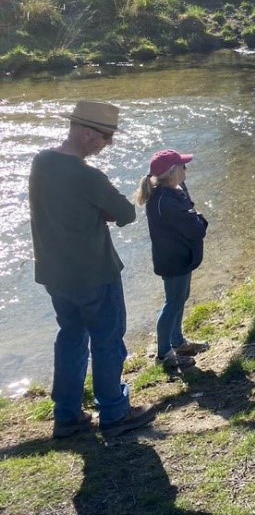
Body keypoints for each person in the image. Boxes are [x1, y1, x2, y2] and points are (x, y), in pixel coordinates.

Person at [28, 100, 156, 438]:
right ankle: (114, 411)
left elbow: (53, 207)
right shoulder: (89, 176)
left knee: (69, 338)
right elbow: (127, 213)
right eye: (106, 137)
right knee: (107, 341)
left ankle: (67, 415)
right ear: (87, 134)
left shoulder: (40, 163)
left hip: (55, 274)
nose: (108, 144)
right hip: (95, 274)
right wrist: (102, 212)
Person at [135, 149, 209, 369]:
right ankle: (164, 354)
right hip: (174, 260)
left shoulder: (170, 192)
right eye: (183, 166)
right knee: (172, 302)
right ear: (173, 172)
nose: (186, 169)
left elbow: (188, 210)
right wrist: (201, 220)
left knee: (180, 297)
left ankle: (177, 341)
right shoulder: (166, 201)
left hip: (177, 257)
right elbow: (195, 230)